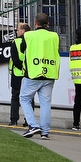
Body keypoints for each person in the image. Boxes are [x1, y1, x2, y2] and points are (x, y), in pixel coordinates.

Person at [19, 12, 61, 140]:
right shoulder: (54, 36)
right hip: (49, 73)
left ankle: (33, 125)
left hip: (33, 73)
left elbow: (22, 49)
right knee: (45, 104)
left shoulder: (28, 35)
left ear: (35, 23)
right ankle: (45, 131)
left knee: (24, 99)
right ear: (48, 24)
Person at [9, 22, 30, 126]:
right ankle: (28, 120)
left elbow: (15, 58)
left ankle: (14, 120)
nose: (17, 31)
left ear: (23, 31)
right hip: (28, 74)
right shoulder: (31, 41)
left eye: (18, 29)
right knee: (29, 98)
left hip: (17, 74)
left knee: (15, 97)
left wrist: (21, 67)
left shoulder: (15, 42)